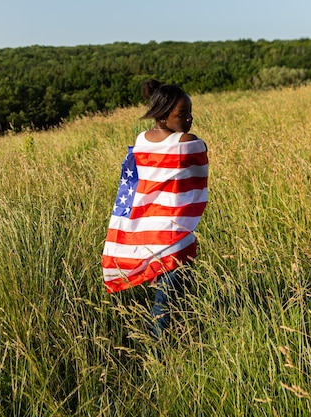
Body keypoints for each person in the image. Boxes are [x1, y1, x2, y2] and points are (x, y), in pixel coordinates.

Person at [101, 79, 209, 340]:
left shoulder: (141, 141)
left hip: (148, 234)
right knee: (169, 299)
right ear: (162, 116)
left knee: (172, 292)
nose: (190, 118)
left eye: (190, 112)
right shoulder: (186, 143)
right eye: (182, 114)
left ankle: (177, 338)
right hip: (173, 237)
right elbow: (200, 159)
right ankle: (161, 349)